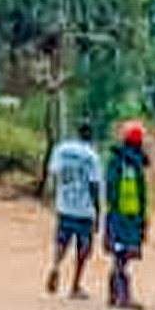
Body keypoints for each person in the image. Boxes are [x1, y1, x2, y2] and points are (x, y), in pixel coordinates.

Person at [44, 122, 103, 297]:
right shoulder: (92, 156)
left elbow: (54, 174)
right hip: (84, 210)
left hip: (64, 205)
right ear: (91, 135)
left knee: (61, 242)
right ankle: (75, 285)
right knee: (83, 249)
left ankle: (55, 266)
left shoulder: (62, 149)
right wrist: (98, 211)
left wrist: (56, 195)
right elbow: (94, 185)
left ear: (78, 133)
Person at [104, 120, 150, 310]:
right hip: (129, 218)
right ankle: (124, 297)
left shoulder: (116, 160)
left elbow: (110, 189)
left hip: (117, 216)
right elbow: (141, 195)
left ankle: (114, 295)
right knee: (122, 257)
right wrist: (143, 220)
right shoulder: (135, 163)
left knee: (119, 255)